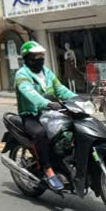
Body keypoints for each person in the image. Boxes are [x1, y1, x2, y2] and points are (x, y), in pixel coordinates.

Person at [13, 41, 76, 191]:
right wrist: (47, 103)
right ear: (27, 58)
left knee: (72, 127)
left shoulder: (47, 72)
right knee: (41, 134)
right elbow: (30, 93)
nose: (40, 59)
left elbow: (61, 90)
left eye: (42, 55)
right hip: (31, 115)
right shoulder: (22, 74)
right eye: (36, 56)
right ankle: (48, 170)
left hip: (49, 113)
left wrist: (78, 99)